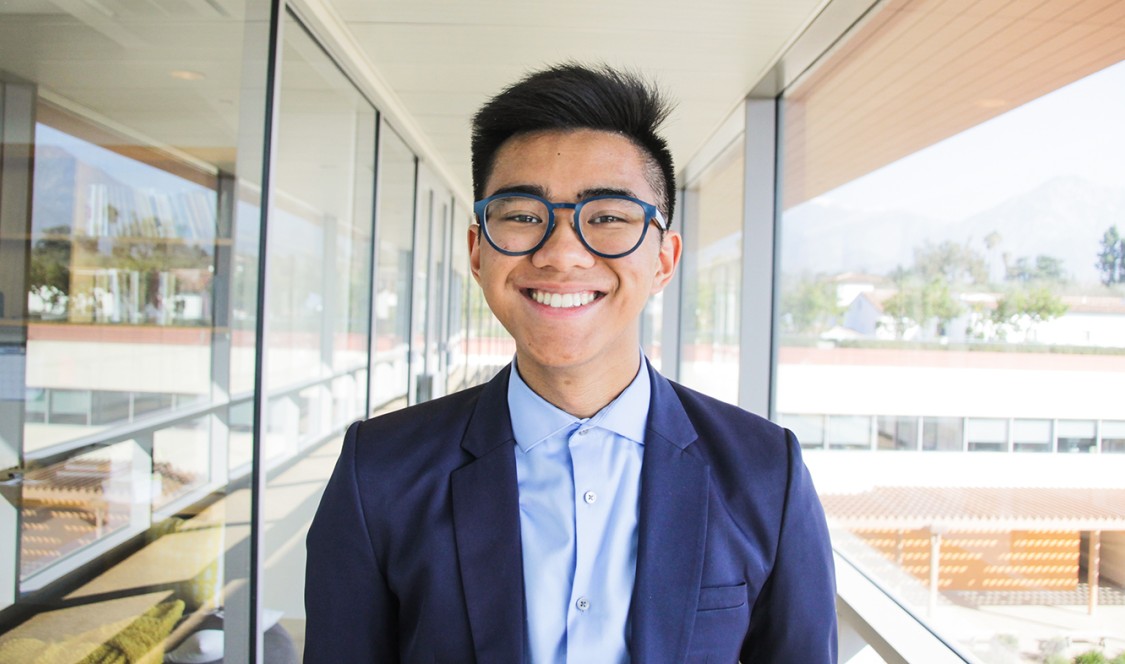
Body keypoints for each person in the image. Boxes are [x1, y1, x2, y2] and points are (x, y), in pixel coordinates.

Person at [304, 63, 837, 663]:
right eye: (523, 215)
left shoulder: (765, 471)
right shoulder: (378, 472)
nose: (561, 255)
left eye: (607, 217)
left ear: (664, 260)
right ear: (477, 253)